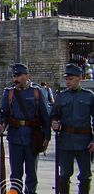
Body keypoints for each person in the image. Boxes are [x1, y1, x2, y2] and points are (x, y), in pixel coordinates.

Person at [0, 63, 51, 194]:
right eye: (14, 76)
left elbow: (45, 116)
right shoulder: (9, 93)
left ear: (27, 76)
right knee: (15, 173)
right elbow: (3, 113)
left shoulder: (37, 92)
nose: (16, 79)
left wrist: (47, 137)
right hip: (15, 137)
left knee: (31, 173)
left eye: (19, 75)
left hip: (32, 137)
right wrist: (2, 123)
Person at [51, 63, 94, 194]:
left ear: (79, 78)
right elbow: (54, 114)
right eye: (67, 79)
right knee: (64, 174)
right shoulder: (61, 96)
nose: (68, 82)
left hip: (84, 141)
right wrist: (54, 122)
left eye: (71, 79)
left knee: (85, 175)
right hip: (66, 141)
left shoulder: (89, 96)